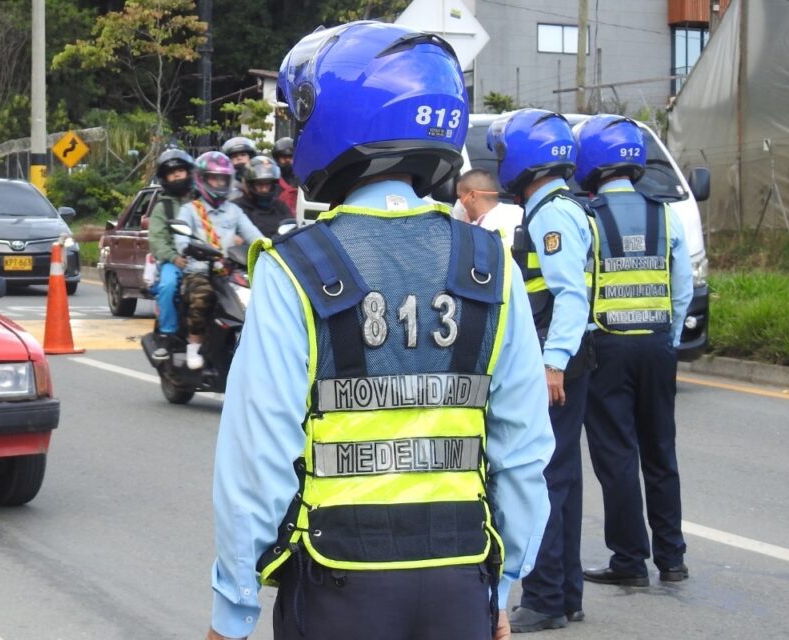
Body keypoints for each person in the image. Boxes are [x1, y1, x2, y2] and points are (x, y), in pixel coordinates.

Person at [207, 22, 553, 640]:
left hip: (339, 585)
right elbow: (523, 451)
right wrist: (502, 589)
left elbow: (256, 459)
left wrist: (233, 610)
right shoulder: (489, 263)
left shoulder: (298, 267)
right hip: (461, 581)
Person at [573, 115, 693, 590]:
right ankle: (673, 558)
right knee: (661, 452)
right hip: (659, 345)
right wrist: (670, 339)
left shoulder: (587, 217)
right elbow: (680, 288)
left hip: (608, 348)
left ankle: (629, 560)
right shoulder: (667, 214)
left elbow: (578, 290)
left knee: (617, 455)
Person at [489, 108, 595, 633]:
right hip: (568, 360)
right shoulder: (560, 207)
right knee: (564, 479)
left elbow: (570, 296)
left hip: (556, 363)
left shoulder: (551, 214)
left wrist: (553, 364)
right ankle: (565, 594)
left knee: (543, 477)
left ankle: (546, 598)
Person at [174, 151, 262, 370]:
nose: (219, 183)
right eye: (215, 178)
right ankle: (193, 345)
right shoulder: (191, 210)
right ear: (202, 179)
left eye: (223, 179)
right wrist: (190, 247)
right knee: (203, 297)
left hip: (228, 272)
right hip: (199, 272)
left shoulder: (234, 211)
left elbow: (255, 236)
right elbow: (181, 240)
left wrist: (271, 247)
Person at [148, 148, 198, 361]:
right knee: (167, 286)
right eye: (172, 173)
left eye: (181, 171)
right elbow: (157, 239)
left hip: (204, 259)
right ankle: (167, 335)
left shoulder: (201, 201)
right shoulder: (162, 207)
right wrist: (173, 257)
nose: (177, 176)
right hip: (174, 262)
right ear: (165, 178)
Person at [231, 155, 294, 237]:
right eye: (259, 184)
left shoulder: (280, 206)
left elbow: (292, 229)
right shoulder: (236, 208)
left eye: (267, 184)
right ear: (250, 184)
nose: (264, 189)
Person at [456, 169, 521, 237]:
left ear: (472, 196)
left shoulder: (485, 231)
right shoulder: (519, 212)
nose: (459, 202)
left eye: (460, 197)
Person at [271, 137, 299, 212]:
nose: (287, 160)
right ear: (277, 158)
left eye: (290, 157)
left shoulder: (302, 180)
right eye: (284, 156)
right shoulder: (271, 180)